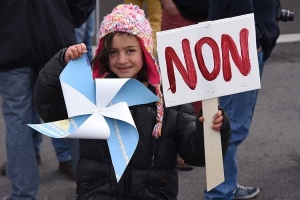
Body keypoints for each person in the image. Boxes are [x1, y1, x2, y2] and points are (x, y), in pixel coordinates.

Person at [33, 4, 231, 199]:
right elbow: (50, 108)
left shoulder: (169, 99)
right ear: (105, 54)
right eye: (113, 52)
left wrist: (210, 130)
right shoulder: (93, 92)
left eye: (130, 51)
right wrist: (61, 63)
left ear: (145, 51)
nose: (122, 60)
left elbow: (196, 153)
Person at [0, 1, 95, 199]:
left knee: (18, 121)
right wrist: (66, 17)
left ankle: (23, 194)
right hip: (54, 34)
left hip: (11, 39)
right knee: (72, 116)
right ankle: (91, 189)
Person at [203, 0, 280, 199]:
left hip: (240, 37)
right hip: (240, 42)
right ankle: (220, 193)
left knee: (227, 122)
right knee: (230, 124)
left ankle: (224, 187)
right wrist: (250, 39)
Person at [160, 0, 209, 171]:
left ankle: (192, 143)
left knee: (203, 78)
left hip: (206, 14)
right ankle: (175, 149)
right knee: (178, 82)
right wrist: (170, 6)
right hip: (180, 13)